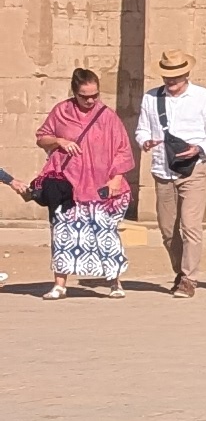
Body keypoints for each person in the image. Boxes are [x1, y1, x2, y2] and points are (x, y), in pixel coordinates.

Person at [34, 66, 133, 296]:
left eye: (95, 95)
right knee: (63, 234)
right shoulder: (61, 112)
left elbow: (123, 149)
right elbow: (42, 137)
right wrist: (59, 140)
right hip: (69, 184)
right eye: (84, 96)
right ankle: (60, 284)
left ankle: (115, 282)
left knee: (105, 234)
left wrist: (117, 178)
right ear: (74, 92)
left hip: (101, 186)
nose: (90, 100)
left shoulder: (108, 116)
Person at [135, 49, 206, 297]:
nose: (171, 81)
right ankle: (180, 270)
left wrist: (199, 148)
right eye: (167, 76)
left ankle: (189, 278)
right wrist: (146, 142)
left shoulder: (203, 97)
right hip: (162, 169)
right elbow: (141, 129)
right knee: (167, 229)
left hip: (193, 167)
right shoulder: (151, 98)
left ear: (186, 74)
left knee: (190, 225)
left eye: (175, 76)